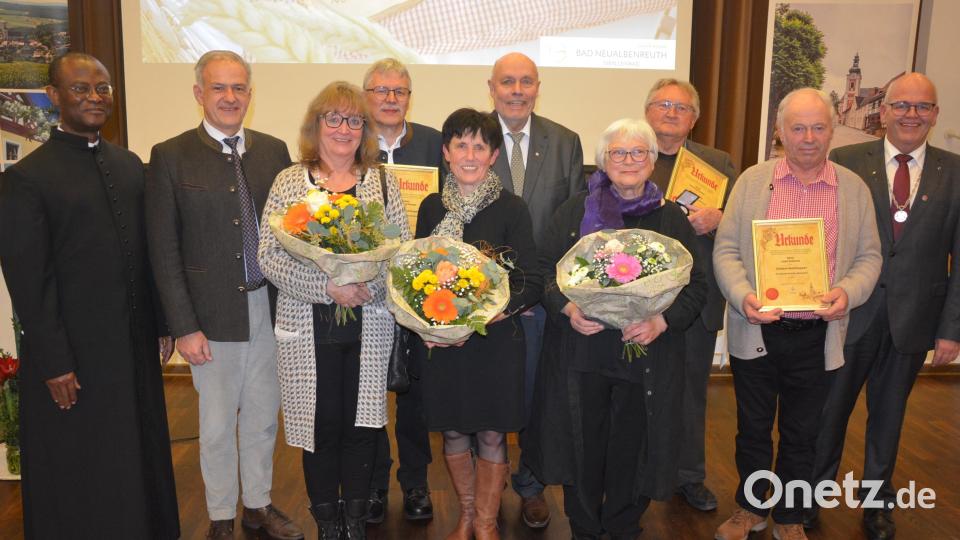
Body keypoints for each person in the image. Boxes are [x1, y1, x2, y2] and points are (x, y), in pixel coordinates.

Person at [0, 52, 179, 539]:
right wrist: (55, 361)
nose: (95, 97)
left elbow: (148, 253)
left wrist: (162, 322)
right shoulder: (26, 180)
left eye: (102, 88)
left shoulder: (127, 164)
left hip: (131, 342)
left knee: (133, 448)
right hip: (72, 353)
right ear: (55, 97)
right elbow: (27, 281)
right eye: (81, 89)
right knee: (82, 460)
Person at [526, 117, 707, 540]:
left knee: (633, 447)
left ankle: (624, 525)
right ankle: (585, 528)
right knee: (582, 447)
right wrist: (569, 308)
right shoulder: (574, 212)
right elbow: (544, 273)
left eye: (638, 152)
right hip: (583, 354)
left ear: (652, 160)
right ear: (602, 161)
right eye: (618, 153)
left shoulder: (670, 219)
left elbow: (696, 286)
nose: (628, 161)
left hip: (644, 356)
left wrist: (662, 321)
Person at [713, 88, 882, 540]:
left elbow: (869, 258)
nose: (808, 137)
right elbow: (726, 250)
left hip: (818, 334)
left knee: (803, 433)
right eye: (798, 128)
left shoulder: (853, 189)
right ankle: (751, 509)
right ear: (780, 132)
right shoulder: (752, 182)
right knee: (751, 428)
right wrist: (743, 294)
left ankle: (789, 516)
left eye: (818, 127)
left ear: (831, 131)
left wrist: (848, 292)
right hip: (758, 329)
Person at [145, 50, 301, 540]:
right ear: (199, 93)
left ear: (250, 95)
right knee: (214, 427)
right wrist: (183, 325)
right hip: (209, 318)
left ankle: (257, 506)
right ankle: (219, 517)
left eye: (239, 88)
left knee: (261, 417)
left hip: (270, 308)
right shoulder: (169, 156)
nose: (230, 97)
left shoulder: (274, 151)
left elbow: (293, 232)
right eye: (219, 87)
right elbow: (164, 250)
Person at [808, 73, 960, 540]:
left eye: (922, 107)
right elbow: (824, 239)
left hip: (914, 319)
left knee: (889, 418)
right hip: (849, 313)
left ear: (935, 115)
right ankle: (810, 499)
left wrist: (952, 328)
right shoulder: (847, 161)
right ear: (886, 111)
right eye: (902, 105)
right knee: (827, 413)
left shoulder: (955, 172)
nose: (911, 114)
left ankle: (877, 505)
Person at [258, 81, 411, 540]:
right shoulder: (290, 181)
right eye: (334, 118)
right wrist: (328, 289)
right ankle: (328, 523)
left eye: (354, 120)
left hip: (370, 323)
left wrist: (366, 285)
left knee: (363, 427)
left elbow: (400, 253)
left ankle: (356, 522)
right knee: (319, 428)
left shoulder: (383, 181)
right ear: (316, 124)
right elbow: (269, 254)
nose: (344, 129)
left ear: (364, 129)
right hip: (308, 328)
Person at [415, 108, 542, 540]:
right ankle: (467, 515)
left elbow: (531, 279)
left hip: (496, 340)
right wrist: (433, 323)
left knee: (490, 432)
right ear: (446, 152)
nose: (470, 154)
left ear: (493, 156)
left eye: (480, 147)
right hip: (445, 344)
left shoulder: (513, 208)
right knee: (452, 428)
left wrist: (489, 313)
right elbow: (414, 276)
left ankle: (487, 522)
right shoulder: (432, 207)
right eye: (461, 145)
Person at [488, 51, 584, 529]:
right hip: (481, 300)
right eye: (508, 81)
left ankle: (530, 484)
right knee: (488, 391)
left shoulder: (565, 142)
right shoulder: (471, 138)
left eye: (526, 81)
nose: (518, 89)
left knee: (538, 394)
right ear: (492, 88)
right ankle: (488, 485)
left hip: (545, 295)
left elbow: (573, 224)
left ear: (538, 86)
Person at [644, 78, 738, 512]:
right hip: (639, 299)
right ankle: (639, 472)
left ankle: (688, 476)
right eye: (663, 104)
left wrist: (720, 217)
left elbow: (740, 228)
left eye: (681, 108)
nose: (671, 113)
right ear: (647, 111)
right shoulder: (631, 154)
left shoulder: (718, 164)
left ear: (694, 118)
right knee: (634, 391)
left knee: (690, 394)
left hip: (695, 300)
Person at [362, 57, 441, 523]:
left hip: (422, 288)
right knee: (370, 391)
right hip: (369, 289)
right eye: (381, 91)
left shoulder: (433, 143)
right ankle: (373, 485)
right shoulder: (350, 144)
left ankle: (415, 484)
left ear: (409, 97)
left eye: (399, 91)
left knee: (415, 397)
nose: (391, 99)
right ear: (366, 95)